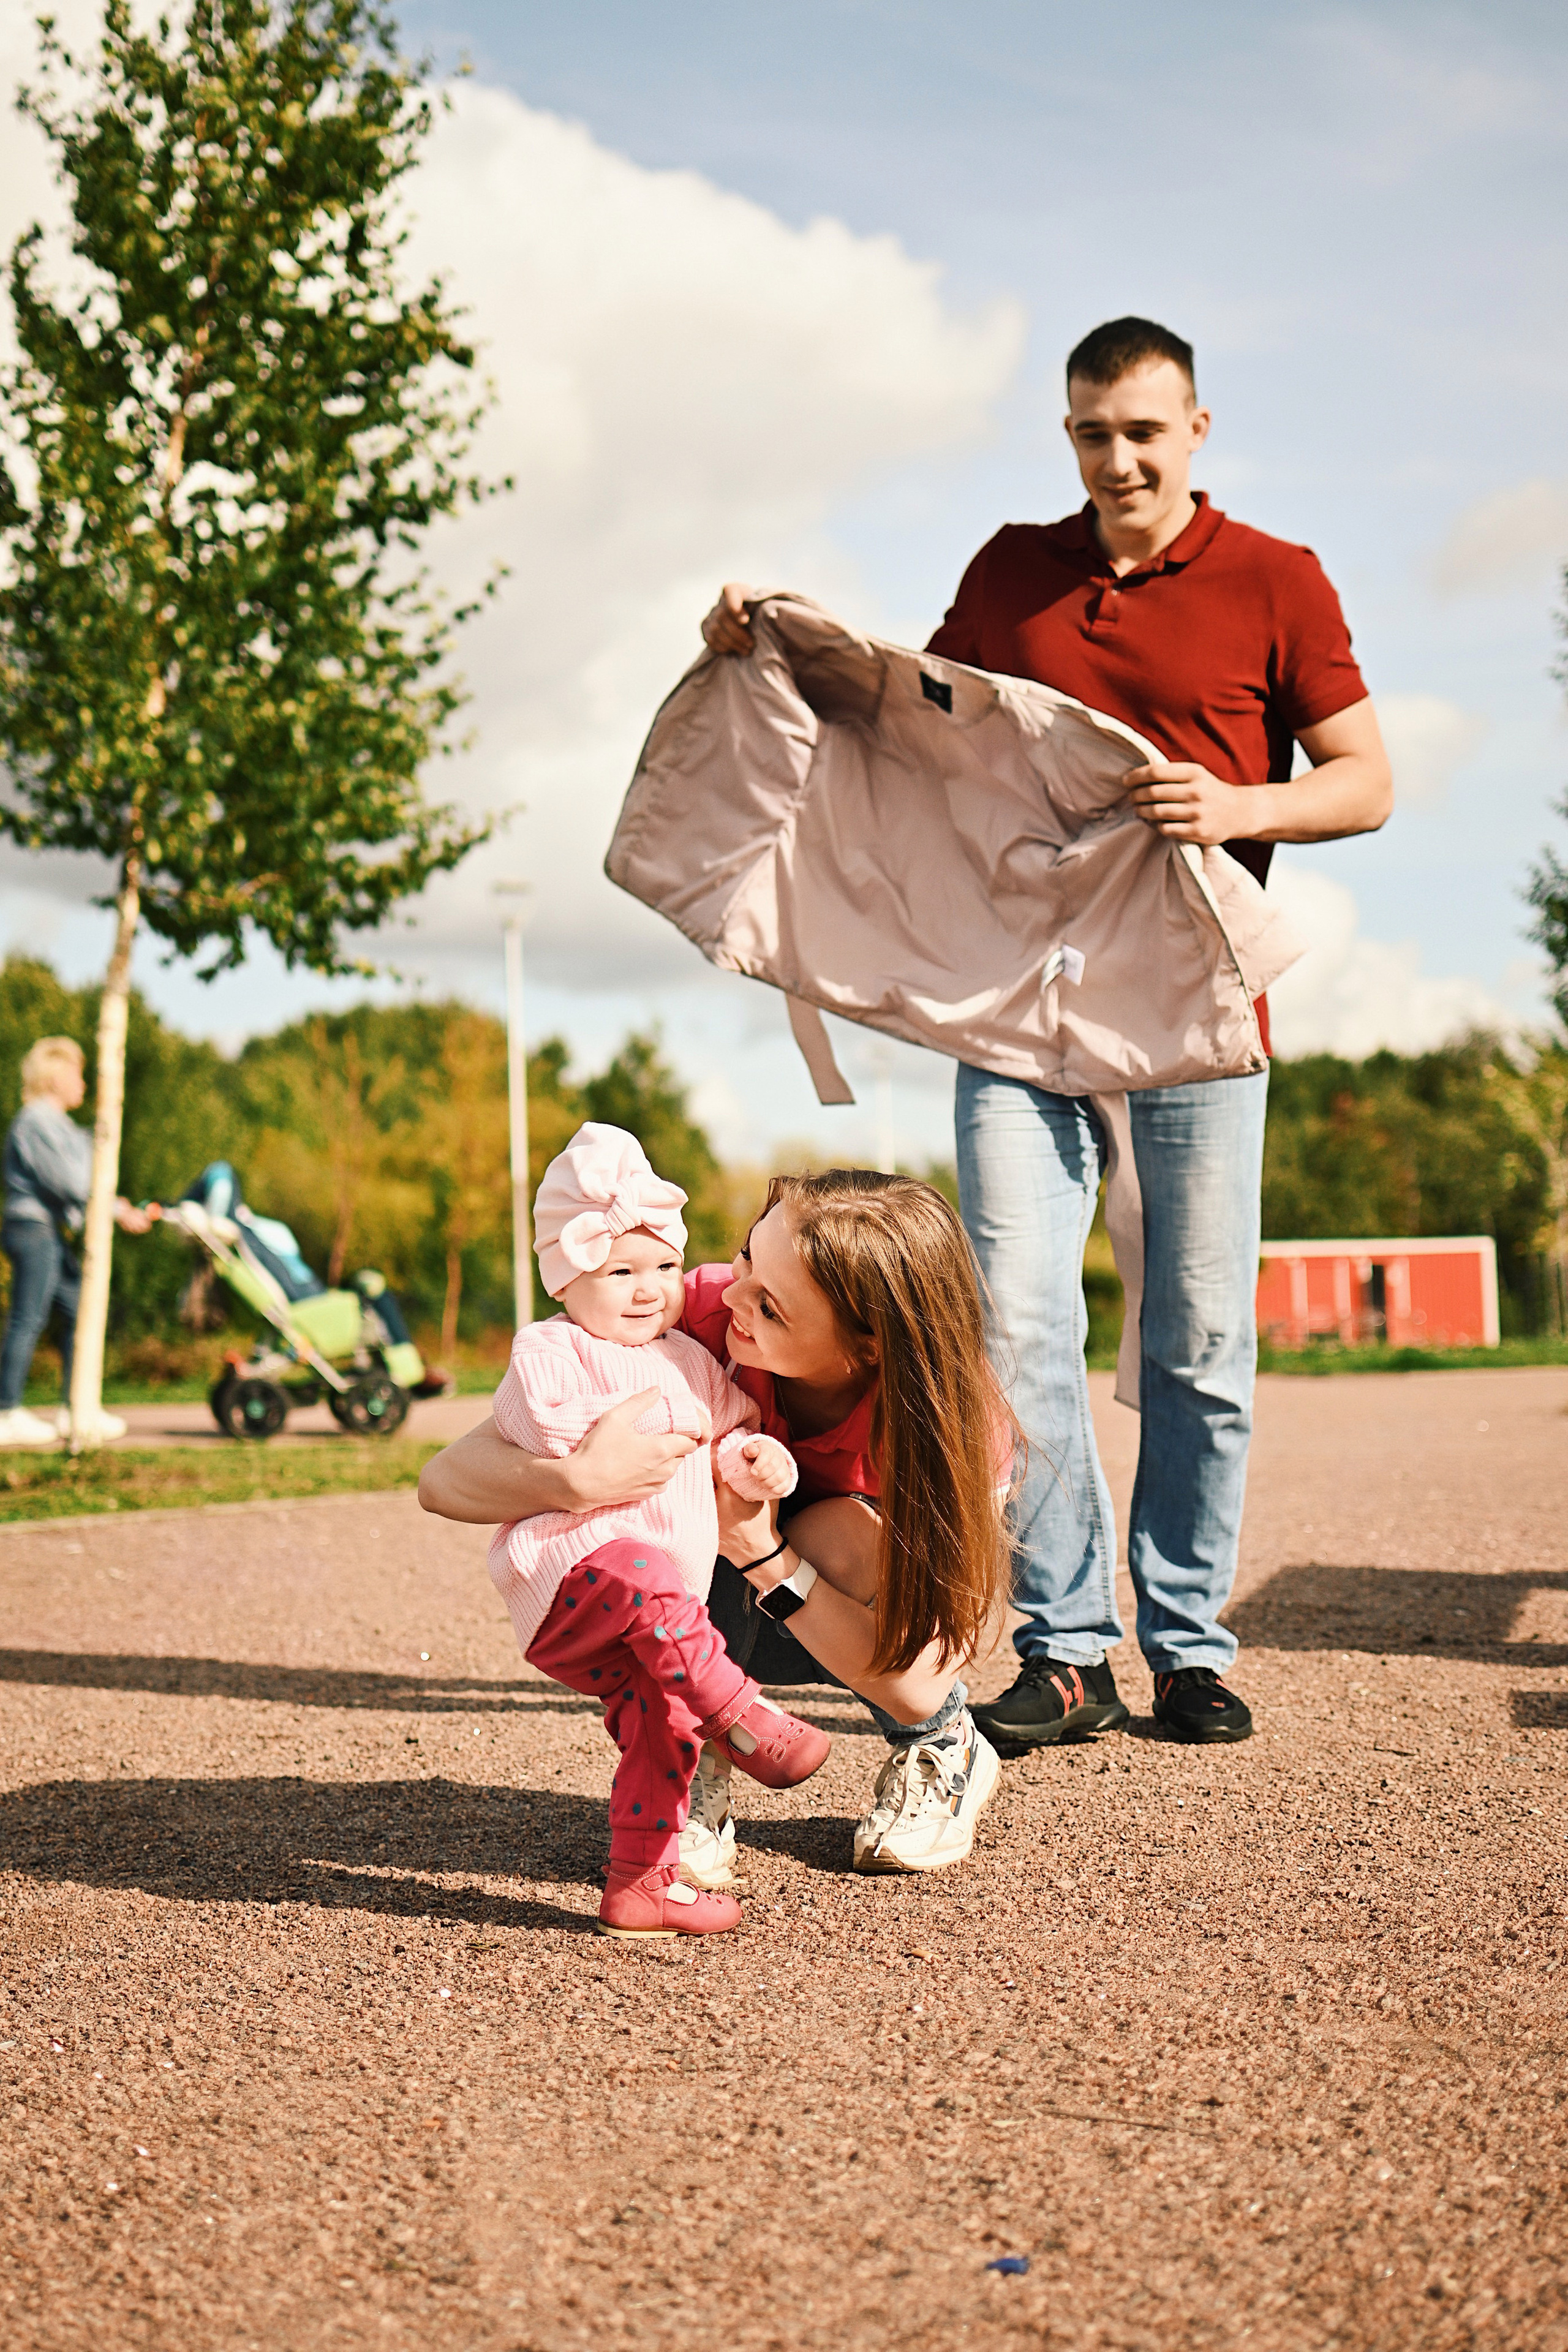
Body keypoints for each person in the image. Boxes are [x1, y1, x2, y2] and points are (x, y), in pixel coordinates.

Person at [699, 316, 1392, 1750]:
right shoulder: (1011, 572)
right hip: (1016, 1006)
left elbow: (1362, 779)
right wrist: (767, 637)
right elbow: (903, 722)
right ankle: (1068, 1651)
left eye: (1141, 430)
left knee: (1196, 1339)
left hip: (1193, 1009)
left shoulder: (1277, 578)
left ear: (1194, 428)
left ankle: (1186, 1647)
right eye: (1090, 432)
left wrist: (1239, 805)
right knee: (1014, 1328)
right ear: (1066, 434)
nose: (1116, 458)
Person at [421, 1166, 1014, 1878]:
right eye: (745, 1257)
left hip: (834, 1597)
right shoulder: (685, 1311)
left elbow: (922, 1678)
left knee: (842, 1534)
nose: (731, 1294)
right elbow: (445, 1480)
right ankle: (692, 1761)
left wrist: (760, 1550)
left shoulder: (956, 1424)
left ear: (868, 1347)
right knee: (664, 1522)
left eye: (771, 1306)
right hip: (713, 1595)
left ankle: (943, 1744)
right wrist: (578, 1482)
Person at [489, 1120, 830, 1939]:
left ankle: (643, 1884)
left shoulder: (687, 1359)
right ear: (566, 1280)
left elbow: (729, 1432)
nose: (648, 1290)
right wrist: (635, 1434)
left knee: (662, 1727)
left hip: (661, 1621)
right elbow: (539, 1425)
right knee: (642, 1570)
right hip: (575, 1582)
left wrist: (755, 1461)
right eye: (621, 1271)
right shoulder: (551, 1347)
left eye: (664, 1268)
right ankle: (741, 1717)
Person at [0, 1036, 152, 1447]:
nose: (84, 1084)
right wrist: (116, 1209)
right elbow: (70, 1182)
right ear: (53, 1078)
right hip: (32, 1229)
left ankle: (76, 1407)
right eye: (77, 1075)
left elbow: (89, 1173)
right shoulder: (36, 1121)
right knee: (28, 1318)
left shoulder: (61, 1125)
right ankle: (6, 1412)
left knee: (77, 1310)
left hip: (49, 1231)